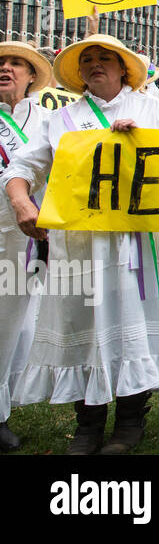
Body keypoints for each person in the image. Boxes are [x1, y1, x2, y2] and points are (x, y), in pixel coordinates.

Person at [1, 32, 159, 454]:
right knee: (83, 327)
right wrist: (20, 202)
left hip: (134, 245)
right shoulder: (61, 120)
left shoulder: (153, 109)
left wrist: (142, 139)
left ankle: (129, 423)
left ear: (124, 68)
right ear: (78, 73)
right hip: (78, 248)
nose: (96, 64)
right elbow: (22, 167)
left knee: (131, 327)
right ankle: (87, 425)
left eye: (106, 57)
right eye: (88, 60)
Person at [0, 41, 52, 451]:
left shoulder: (47, 120)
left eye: (16, 63)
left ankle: (0, 412)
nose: (6, 69)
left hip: (21, 234)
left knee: (8, 324)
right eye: (1, 63)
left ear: (32, 75)